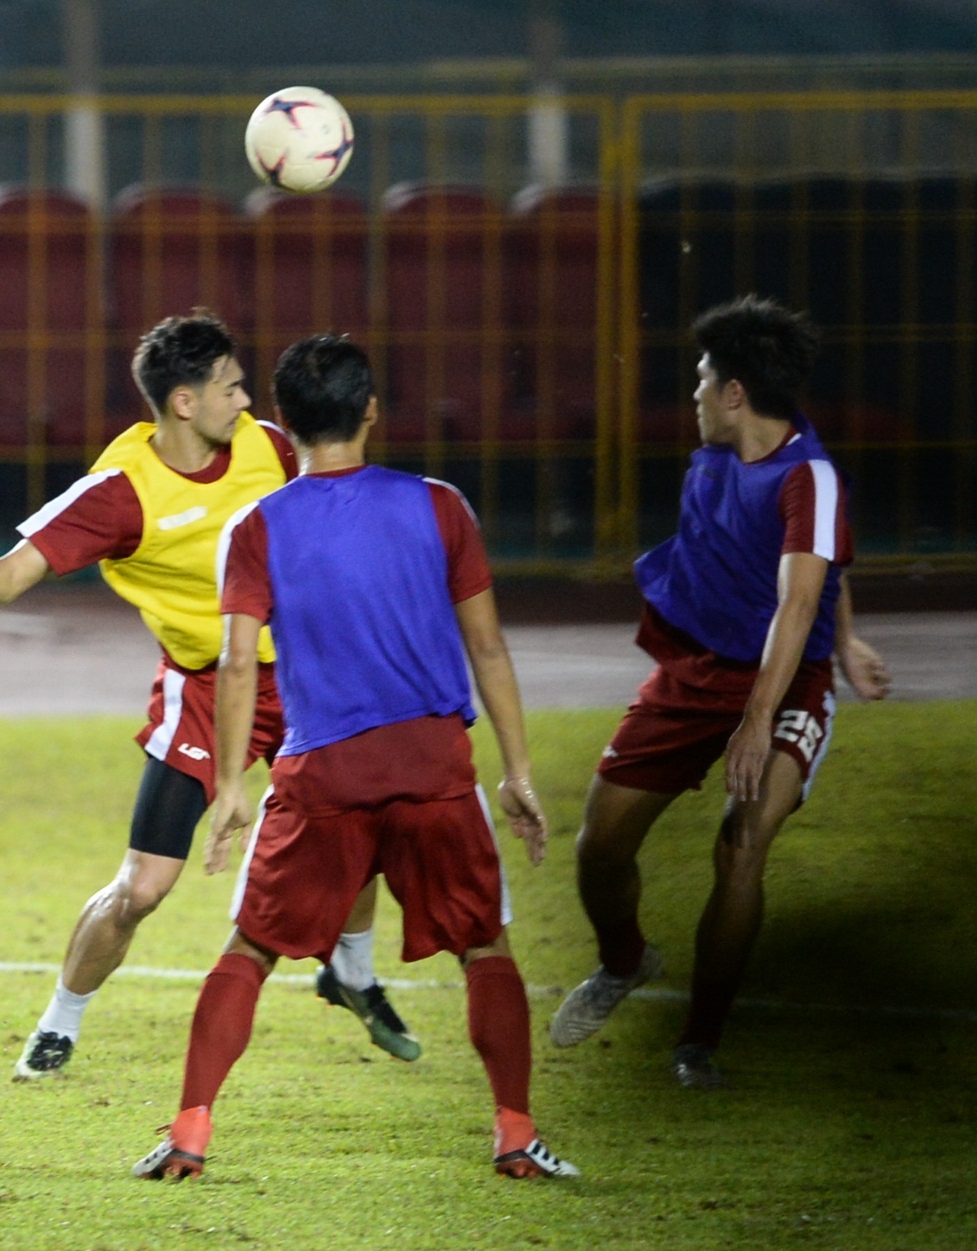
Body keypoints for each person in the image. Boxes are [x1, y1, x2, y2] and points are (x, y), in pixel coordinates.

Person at [134, 334, 577, 1183]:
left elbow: (237, 664)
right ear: (371, 409)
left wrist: (229, 785)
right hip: (432, 765)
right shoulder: (440, 505)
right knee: (485, 947)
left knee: (249, 949)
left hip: (322, 773)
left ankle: (189, 1132)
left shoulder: (255, 525)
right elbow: (488, 646)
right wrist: (516, 771)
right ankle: (515, 1133)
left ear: (283, 419)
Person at [0, 311, 416, 1080]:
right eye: (231, 387)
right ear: (185, 402)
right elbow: (13, 575)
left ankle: (353, 972)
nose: (246, 399)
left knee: (363, 816)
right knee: (143, 887)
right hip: (205, 687)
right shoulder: (123, 491)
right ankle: (60, 1019)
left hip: (309, 676)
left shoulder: (267, 446)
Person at [548, 296, 891, 1088]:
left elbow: (800, 598)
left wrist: (764, 714)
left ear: (736, 393)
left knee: (741, 843)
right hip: (693, 672)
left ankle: (697, 1044)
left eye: (703, 378)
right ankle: (624, 961)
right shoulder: (717, 453)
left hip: (786, 684)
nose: (695, 392)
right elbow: (813, 564)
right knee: (600, 845)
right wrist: (851, 635)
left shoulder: (808, 476)